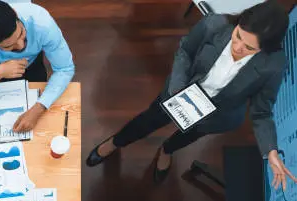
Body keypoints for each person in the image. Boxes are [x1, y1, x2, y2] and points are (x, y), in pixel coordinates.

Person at [86, 0, 296, 189]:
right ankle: (117, 142)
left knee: (188, 136)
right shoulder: (214, 24)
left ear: (265, 50)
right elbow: (185, 50)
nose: (237, 47)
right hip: (182, 90)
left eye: (249, 48)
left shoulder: (274, 65)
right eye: (238, 35)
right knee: (149, 120)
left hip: (218, 115)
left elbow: (261, 112)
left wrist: (270, 150)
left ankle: (167, 150)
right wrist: (177, 85)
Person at [0, 1, 75, 132]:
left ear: (15, 14)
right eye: (9, 46)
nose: (21, 46)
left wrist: (39, 108)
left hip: (30, 67)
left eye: (21, 33)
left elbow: (65, 69)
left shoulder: (42, 22)